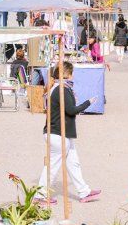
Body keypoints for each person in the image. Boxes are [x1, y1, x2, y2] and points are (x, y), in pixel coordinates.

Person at [38, 62, 101, 203]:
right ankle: (40, 194)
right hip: (58, 133)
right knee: (53, 166)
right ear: (67, 74)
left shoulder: (58, 88)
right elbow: (71, 110)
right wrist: (87, 103)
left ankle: (84, 191)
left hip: (61, 132)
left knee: (73, 163)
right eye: (72, 73)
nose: (73, 76)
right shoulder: (62, 89)